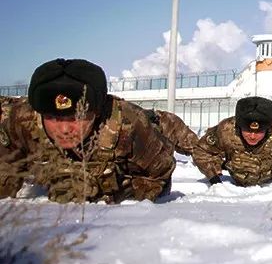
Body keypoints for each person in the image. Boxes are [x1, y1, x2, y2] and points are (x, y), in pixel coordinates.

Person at [0, 59, 175, 203]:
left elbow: (162, 174)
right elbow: (7, 173)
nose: (64, 129)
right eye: (53, 118)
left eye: (76, 118)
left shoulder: (129, 124)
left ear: (97, 112)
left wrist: (112, 189)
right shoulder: (20, 120)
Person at [192, 96, 272, 188]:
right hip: (236, 175)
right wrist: (213, 177)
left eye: (259, 132)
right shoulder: (226, 130)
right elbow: (201, 151)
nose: (252, 136)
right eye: (247, 130)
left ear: (268, 128)